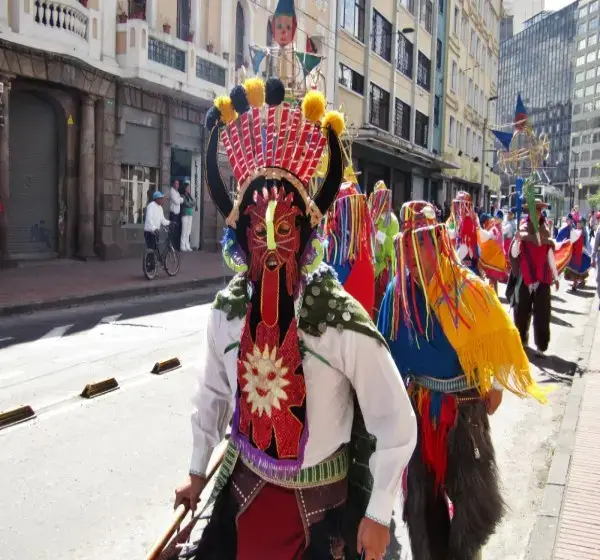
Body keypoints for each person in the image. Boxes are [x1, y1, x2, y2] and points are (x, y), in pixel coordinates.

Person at [173, 77, 417, 560]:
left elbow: (395, 418)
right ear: (240, 237)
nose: (269, 247)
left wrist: (377, 513)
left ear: (305, 234)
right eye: (256, 230)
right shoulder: (227, 314)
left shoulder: (339, 320)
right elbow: (214, 395)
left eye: (282, 228)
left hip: (323, 511)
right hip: (244, 492)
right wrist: (198, 470)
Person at [378, 200, 545, 560]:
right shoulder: (398, 293)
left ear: (438, 241)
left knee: (474, 512)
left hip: (463, 413)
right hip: (420, 413)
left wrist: (498, 386)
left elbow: (499, 333)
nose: (411, 251)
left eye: (420, 242)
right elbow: (384, 354)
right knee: (422, 513)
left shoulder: (465, 288)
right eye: (406, 243)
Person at [509, 199, 560, 357]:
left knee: (543, 313)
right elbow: (514, 254)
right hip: (525, 276)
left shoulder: (545, 231)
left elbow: (550, 254)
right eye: (533, 211)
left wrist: (556, 277)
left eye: (538, 211)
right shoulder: (522, 229)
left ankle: (541, 346)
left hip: (542, 277)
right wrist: (518, 240)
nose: (536, 213)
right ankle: (521, 340)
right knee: (522, 311)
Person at [323, 180, 376, 317]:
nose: (353, 214)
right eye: (347, 208)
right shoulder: (328, 248)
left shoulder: (362, 246)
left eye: (355, 209)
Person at [369, 181, 399, 315]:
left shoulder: (392, 220)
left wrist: (378, 233)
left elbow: (393, 249)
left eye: (386, 199)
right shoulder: (369, 216)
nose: (385, 203)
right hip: (369, 267)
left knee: (380, 307)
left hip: (383, 270)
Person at [180, 182, 195, 252]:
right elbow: (186, 204)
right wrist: (191, 204)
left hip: (190, 214)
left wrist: (191, 204)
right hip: (185, 215)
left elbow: (194, 202)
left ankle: (187, 245)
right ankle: (182, 246)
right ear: (185, 188)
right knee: (184, 230)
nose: (189, 189)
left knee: (188, 231)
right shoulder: (182, 195)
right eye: (188, 188)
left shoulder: (189, 195)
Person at [169, 179, 184, 251]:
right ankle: (172, 247)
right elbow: (177, 201)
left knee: (177, 231)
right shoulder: (172, 191)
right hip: (173, 214)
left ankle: (175, 247)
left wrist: (180, 199)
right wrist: (180, 199)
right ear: (173, 184)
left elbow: (181, 200)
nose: (177, 185)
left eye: (178, 184)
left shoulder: (177, 192)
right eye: (175, 183)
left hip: (177, 214)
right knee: (173, 231)